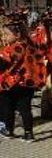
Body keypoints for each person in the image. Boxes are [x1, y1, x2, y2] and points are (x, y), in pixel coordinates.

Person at [0, 13, 45, 141]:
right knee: (25, 109)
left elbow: (3, 63)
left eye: (6, 34)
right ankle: (28, 133)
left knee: (8, 107)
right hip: (28, 82)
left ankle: (9, 130)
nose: (4, 37)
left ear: (17, 35)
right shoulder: (30, 45)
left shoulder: (15, 47)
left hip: (13, 83)